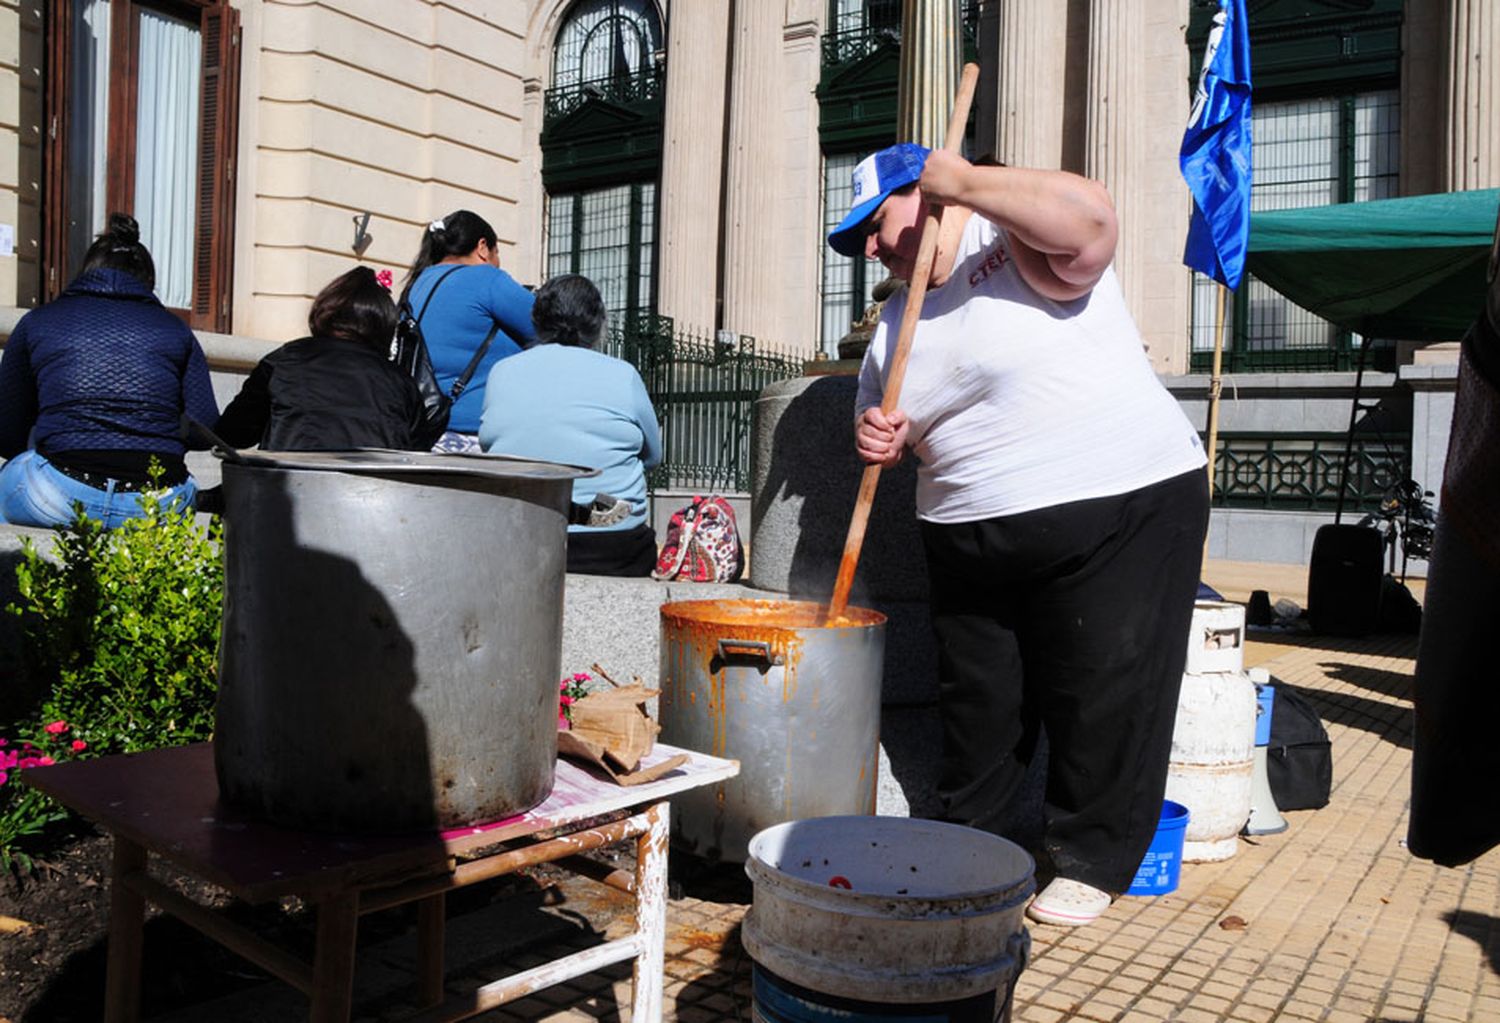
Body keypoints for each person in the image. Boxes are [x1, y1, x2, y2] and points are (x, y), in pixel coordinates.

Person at [831, 143, 1210, 926]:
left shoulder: (1009, 244)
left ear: (932, 197)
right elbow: (877, 420)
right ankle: (975, 841)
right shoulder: (892, 321)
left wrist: (968, 184)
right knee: (979, 703)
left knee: (1102, 683)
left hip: (1115, 505)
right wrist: (877, 433)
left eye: (877, 223)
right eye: (857, 238)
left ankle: (1091, 856)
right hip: (967, 534)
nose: (869, 246)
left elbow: (1094, 220)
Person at [0, 213, 218, 528]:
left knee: (12, 474)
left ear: (86, 270)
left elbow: (7, 433)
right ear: (148, 280)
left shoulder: (39, 322)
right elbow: (205, 428)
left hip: (59, 495)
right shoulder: (176, 330)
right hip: (157, 502)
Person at [478, 274, 662, 576]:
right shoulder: (623, 374)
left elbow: (490, 444)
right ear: (599, 322)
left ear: (537, 321)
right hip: (613, 542)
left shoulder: (502, 372)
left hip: (521, 536)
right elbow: (653, 457)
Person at [215, 266, 437, 452]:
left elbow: (232, 434)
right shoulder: (399, 380)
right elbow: (415, 453)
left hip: (288, 493)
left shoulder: (283, 361)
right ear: (384, 324)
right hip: (374, 497)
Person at [400, 210, 537, 453]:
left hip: (424, 430)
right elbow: (549, 324)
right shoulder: (487, 278)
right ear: (483, 247)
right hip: (475, 432)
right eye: (497, 254)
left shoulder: (414, 286)